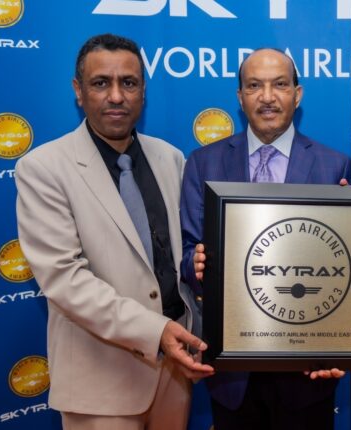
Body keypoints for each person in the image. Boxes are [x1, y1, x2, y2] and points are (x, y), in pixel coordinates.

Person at [14, 34, 214, 429]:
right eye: (101, 83)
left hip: (175, 374)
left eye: (129, 82)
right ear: (78, 90)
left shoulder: (171, 158)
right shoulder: (43, 169)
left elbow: (185, 256)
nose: (117, 96)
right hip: (100, 383)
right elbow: (65, 279)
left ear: (143, 90)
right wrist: (157, 331)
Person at [180, 48, 351, 430]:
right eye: (254, 86)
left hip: (306, 371)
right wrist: (196, 265)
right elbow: (188, 253)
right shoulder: (203, 162)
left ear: (297, 94)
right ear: (240, 97)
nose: (268, 97)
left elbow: (344, 265)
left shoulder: (334, 165)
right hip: (232, 372)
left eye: (280, 84)